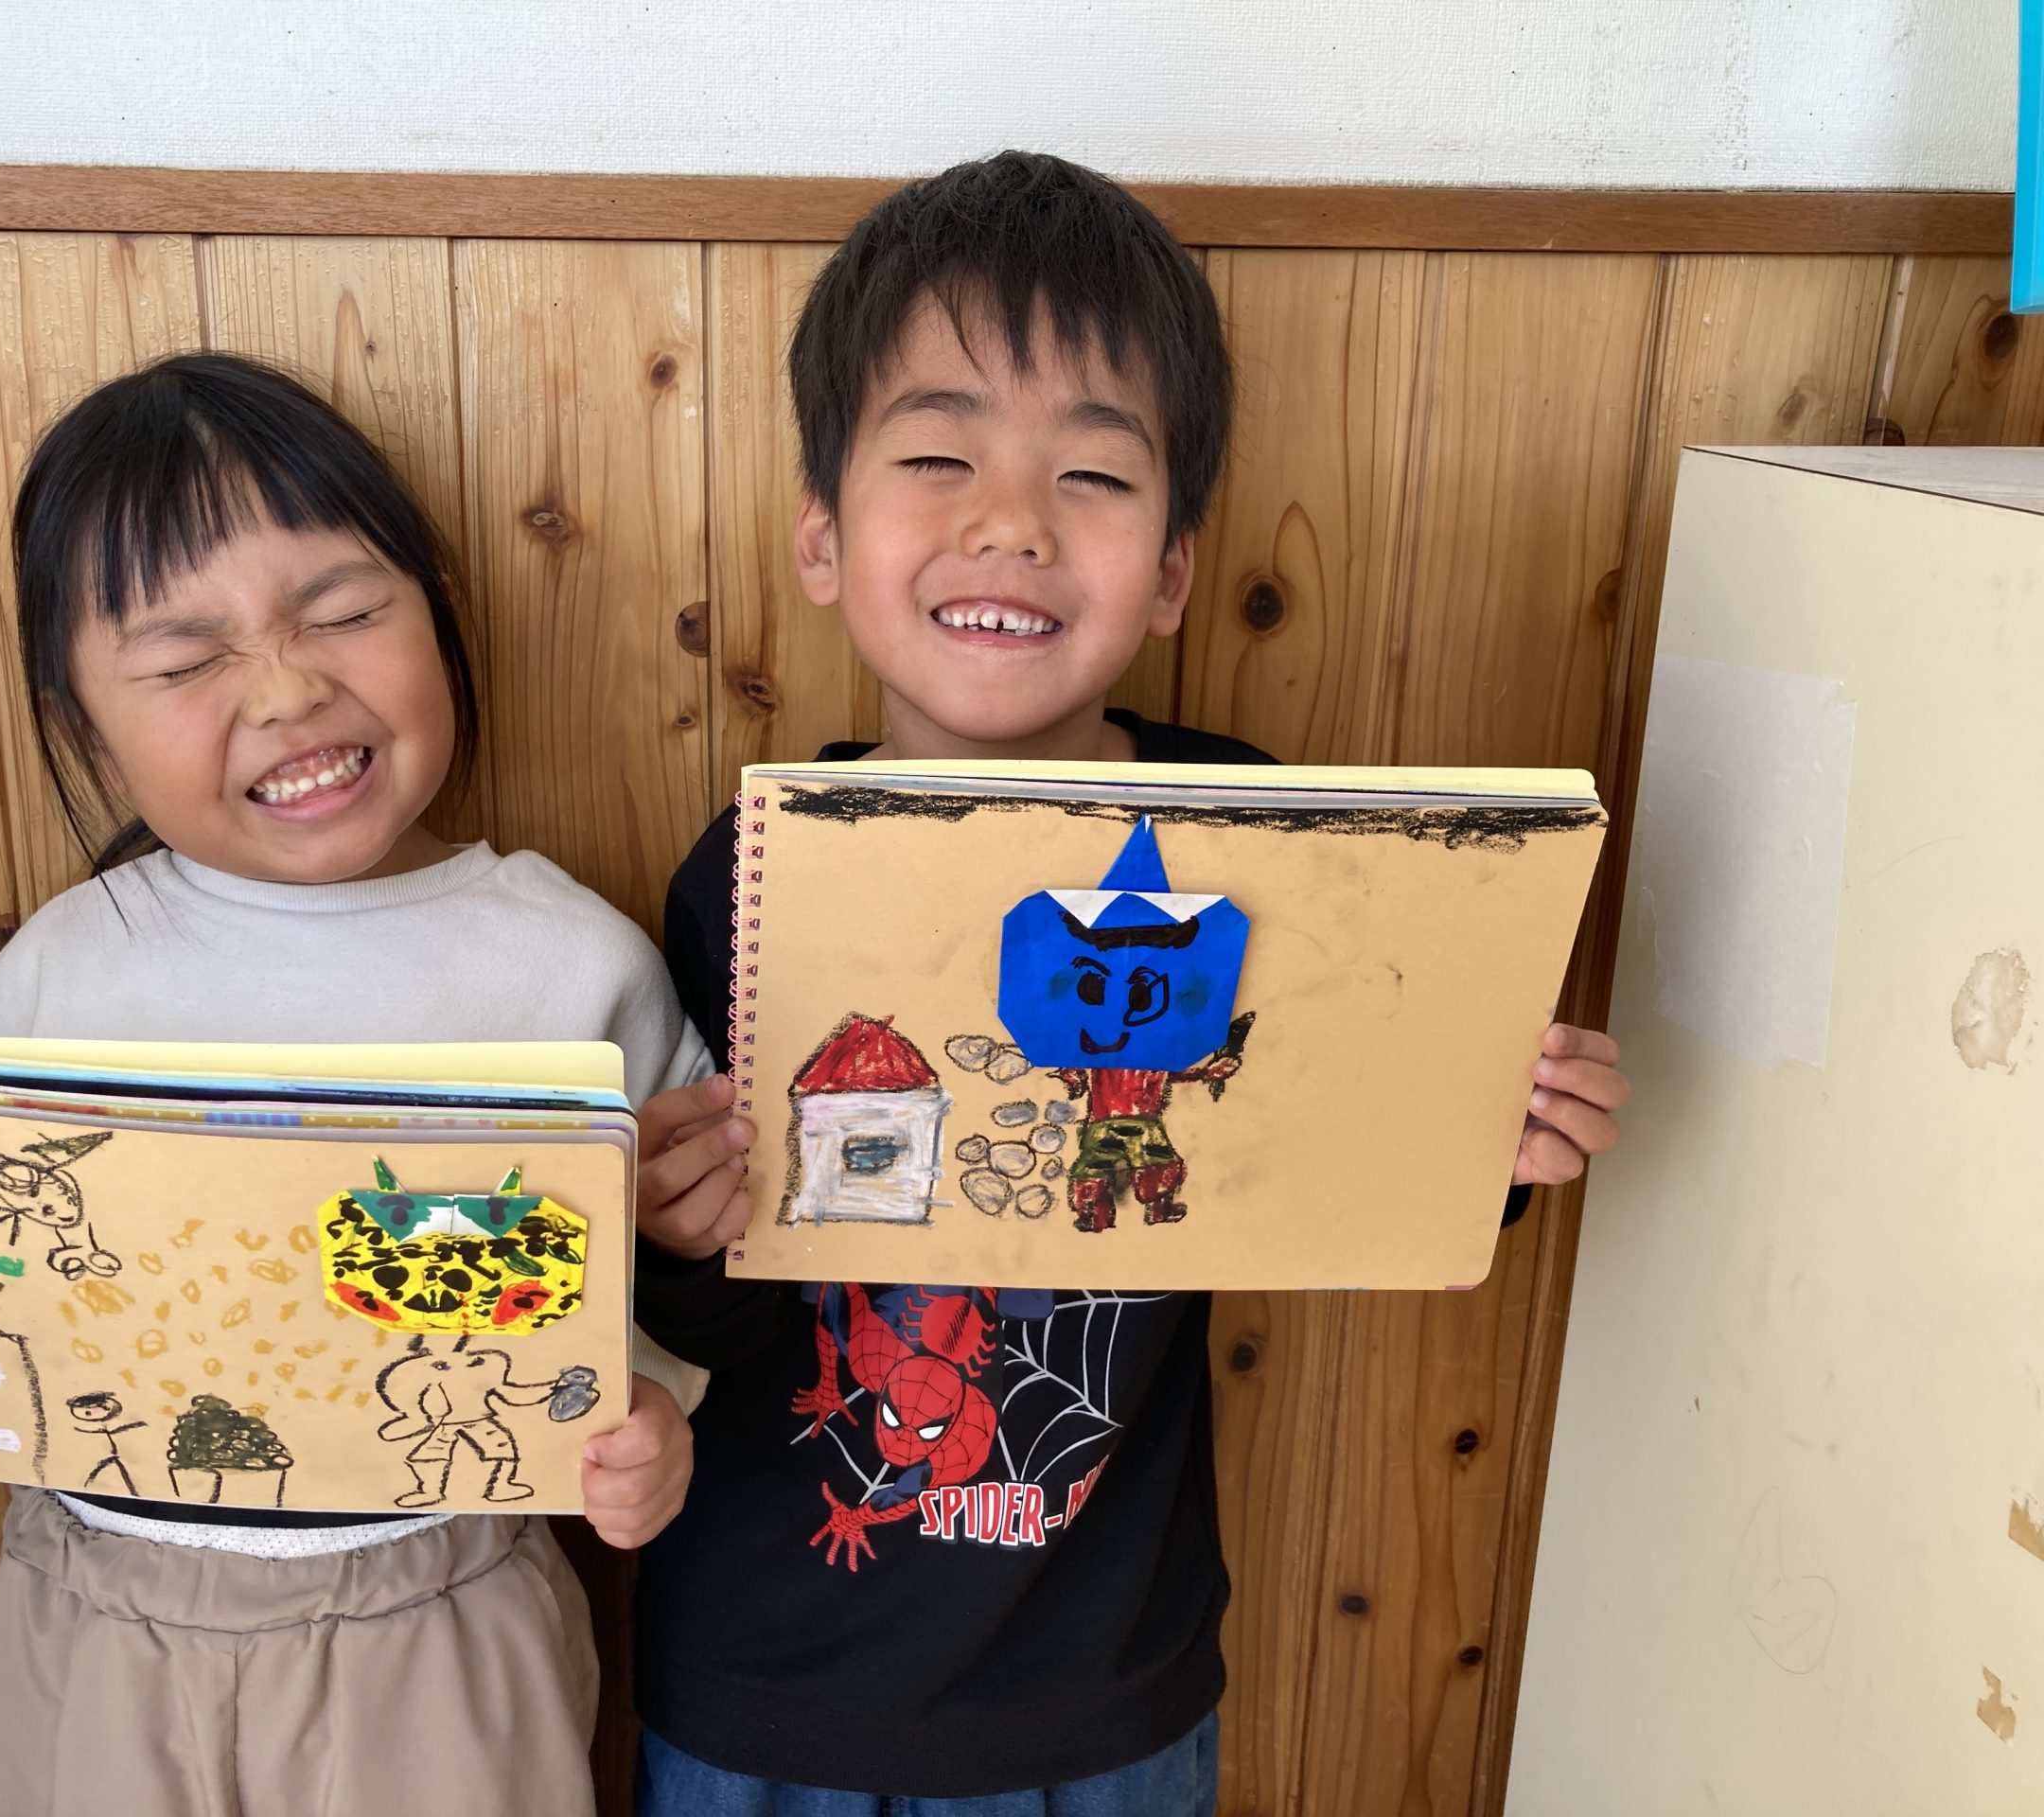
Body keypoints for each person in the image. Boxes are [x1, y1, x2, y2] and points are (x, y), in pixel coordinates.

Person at [630, 151, 1632, 1815]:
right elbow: (719, 1310)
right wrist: (679, 1237)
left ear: (1171, 570)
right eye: (937, 454)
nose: (1011, 522)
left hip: (1106, 1688)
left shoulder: (1249, 833)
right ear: (822, 537)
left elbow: (1322, 1148)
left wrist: (1495, 1134)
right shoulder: (751, 865)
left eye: (1092, 474)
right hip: (765, 1682)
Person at [0, 352, 717, 1817]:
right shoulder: (64, 969)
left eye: (345, 611)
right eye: (186, 660)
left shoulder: (570, 963)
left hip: (435, 1613)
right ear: (85, 725)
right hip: (94, 1616)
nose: (288, 687)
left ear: (438, 615)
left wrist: (652, 1427)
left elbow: (668, 1280)